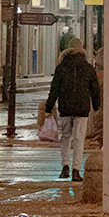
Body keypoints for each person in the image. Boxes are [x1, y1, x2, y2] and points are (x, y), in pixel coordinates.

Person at [44, 37, 100, 181]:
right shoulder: (87, 67)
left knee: (65, 138)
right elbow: (95, 89)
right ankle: (76, 169)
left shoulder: (61, 67)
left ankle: (65, 167)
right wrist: (96, 105)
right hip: (82, 109)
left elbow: (54, 89)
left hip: (65, 107)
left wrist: (48, 107)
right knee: (79, 139)